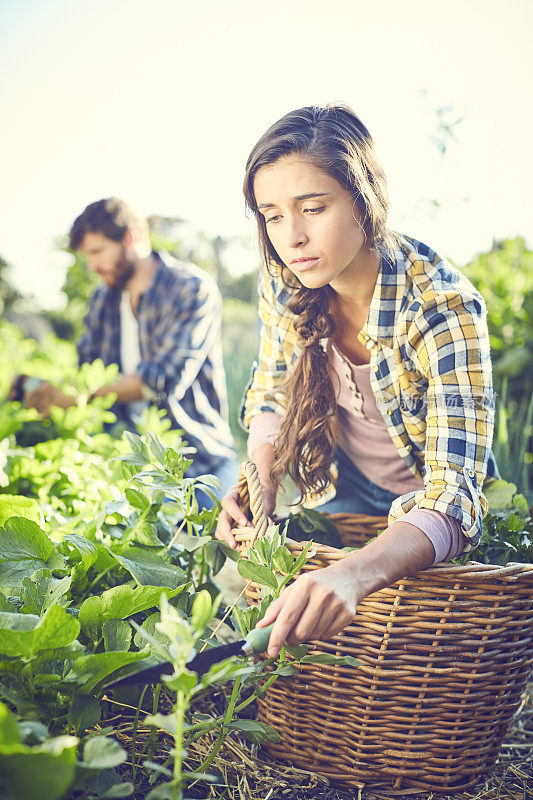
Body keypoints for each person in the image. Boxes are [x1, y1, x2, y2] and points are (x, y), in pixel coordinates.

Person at [215, 105, 498, 657]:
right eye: (272, 216)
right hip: (337, 486)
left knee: (396, 642)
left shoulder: (442, 309)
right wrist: (263, 479)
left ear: (365, 201)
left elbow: (453, 497)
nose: (291, 237)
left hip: (417, 510)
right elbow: (271, 390)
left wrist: (351, 575)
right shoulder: (285, 282)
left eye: (313, 208)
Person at [24, 197, 238, 499]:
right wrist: (40, 390)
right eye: (87, 256)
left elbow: (161, 380)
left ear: (130, 238)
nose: (93, 265)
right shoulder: (103, 299)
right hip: (132, 469)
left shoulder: (189, 287)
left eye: (98, 251)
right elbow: (86, 369)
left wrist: (78, 399)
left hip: (199, 463)